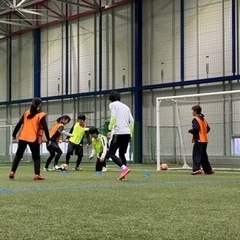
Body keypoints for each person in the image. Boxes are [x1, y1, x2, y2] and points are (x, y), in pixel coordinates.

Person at [9, 97, 51, 180]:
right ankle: (37, 174)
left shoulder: (26, 113)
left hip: (23, 137)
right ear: (39, 105)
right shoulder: (41, 115)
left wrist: (14, 134)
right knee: (36, 157)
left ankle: (12, 172)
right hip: (33, 138)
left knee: (18, 155)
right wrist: (48, 139)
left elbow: (19, 124)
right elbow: (45, 128)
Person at [107, 91, 134, 180]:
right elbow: (132, 121)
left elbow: (113, 117)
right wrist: (131, 132)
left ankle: (123, 168)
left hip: (118, 132)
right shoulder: (126, 107)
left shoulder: (112, 105)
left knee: (111, 153)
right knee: (122, 154)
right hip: (126, 133)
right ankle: (123, 175)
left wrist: (110, 129)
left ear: (111, 98)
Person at [188, 105, 214, 175]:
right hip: (205, 140)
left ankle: (197, 169)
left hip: (199, 140)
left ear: (195, 111)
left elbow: (196, 128)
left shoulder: (195, 119)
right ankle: (208, 170)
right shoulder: (204, 120)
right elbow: (208, 129)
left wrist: (191, 131)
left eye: (192, 110)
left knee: (196, 155)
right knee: (203, 156)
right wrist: (203, 133)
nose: (192, 112)